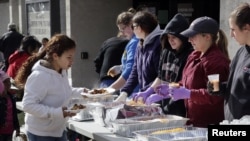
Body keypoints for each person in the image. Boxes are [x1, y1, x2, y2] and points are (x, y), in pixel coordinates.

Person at [152, 16, 230, 127]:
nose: (189, 40)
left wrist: (189, 94)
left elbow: (215, 94)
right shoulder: (194, 55)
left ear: (207, 37)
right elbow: (187, 82)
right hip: (193, 120)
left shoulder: (215, 62)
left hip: (209, 123)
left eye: (193, 36)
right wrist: (172, 88)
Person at [14, 34, 85, 141]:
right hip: (40, 133)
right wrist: (57, 113)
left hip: (59, 130)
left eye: (73, 57)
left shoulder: (62, 70)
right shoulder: (39, 76)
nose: (72, 61)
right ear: (56, 56)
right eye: (69, 57)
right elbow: (28, 105)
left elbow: (64, 91)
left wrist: (84, 93)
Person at [133, 14, 193, 117]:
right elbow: (160, 77)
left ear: (182, 36)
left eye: (174, 37)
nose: (170, 40)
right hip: (165, 107)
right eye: (168, 37)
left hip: (182, 108)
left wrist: (163, 95)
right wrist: (149, 91)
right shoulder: (166, 52)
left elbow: (185, 83)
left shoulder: (189, 55)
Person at [208, 3, 250, 122]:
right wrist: (219, 88)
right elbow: (237, 86)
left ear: (246, 28)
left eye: (233, 30)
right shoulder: (241, 52)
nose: (231, 35)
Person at [115, 10, 162, 101]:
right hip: (144, 97)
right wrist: (125, 92)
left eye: (133, 26)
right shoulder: (140, 44)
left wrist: (148, 92)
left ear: (139, 28)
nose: (132, 29)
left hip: (158, 98)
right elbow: (135, 71)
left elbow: (161, 76)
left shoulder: (159, 44)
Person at [108, 8, 140, 92]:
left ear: (131, 24)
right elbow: (135, 64)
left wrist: (109, 89)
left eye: (123, 28)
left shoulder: (134, 42)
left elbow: (130, 70)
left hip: (134, 90)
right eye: (120, 30)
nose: (121, 32)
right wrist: (121, 68)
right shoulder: (133, 41)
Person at [0, 70, 20, 141]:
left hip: (10, 131)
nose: (8, 84)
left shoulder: (11, 97)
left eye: (9, 81)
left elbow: (14, 114)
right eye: (5, 82)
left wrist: (17, 127)